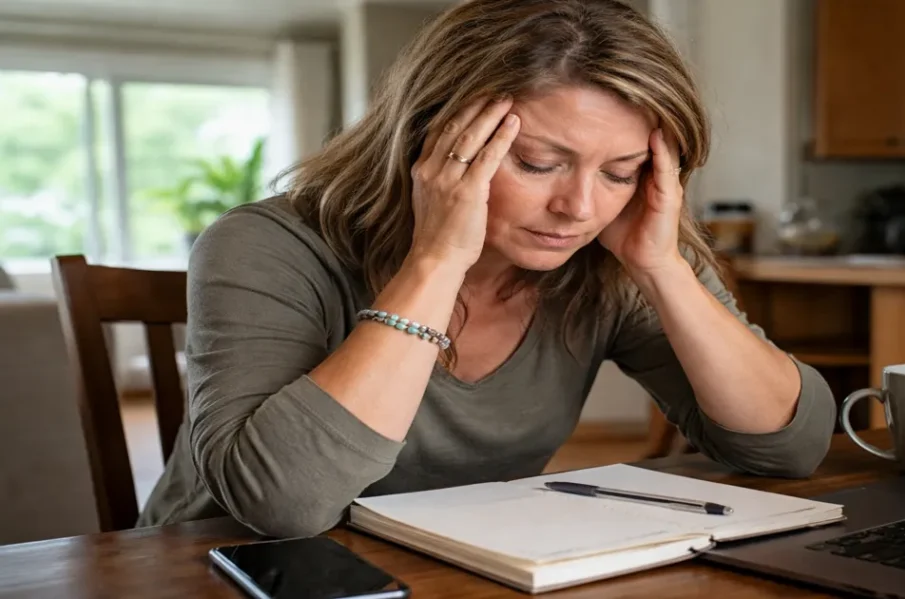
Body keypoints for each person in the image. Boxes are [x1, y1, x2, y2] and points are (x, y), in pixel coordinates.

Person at [138, 0, 836, 537]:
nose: (579, 207)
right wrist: (438, 258)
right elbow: (283, 503)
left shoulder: (611, 257)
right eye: (537, 163)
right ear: (432, 136)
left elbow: (791, 447)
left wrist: (663, 268)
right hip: (217, 570)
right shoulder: (267, 243)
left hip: (443, 564)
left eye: (620, 172)